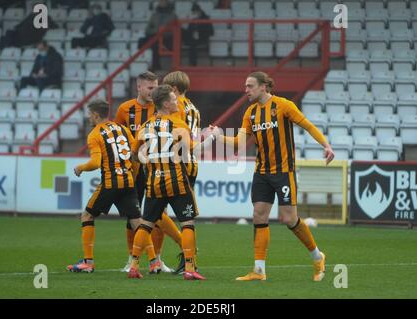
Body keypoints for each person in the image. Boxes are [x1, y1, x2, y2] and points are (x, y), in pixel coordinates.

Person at [212, 71, 335, 282]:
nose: (246, 90)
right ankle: (259, 270)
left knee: (289, 218)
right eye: (245, 86)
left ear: (263, 87)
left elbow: (307, 125)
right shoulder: (250, 113)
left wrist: (326, 145)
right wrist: (220, 136)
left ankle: (317, 256)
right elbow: (240, 143)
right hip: (262, 172)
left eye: (250, 86)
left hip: (283, 171)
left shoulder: (283, 105)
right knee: (259, 215)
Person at [127, 85, 216, 280]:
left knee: (145, 224)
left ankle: (134, 265)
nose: (177, 102)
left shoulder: (145, 127)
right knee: (187, 223)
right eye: (174, 99)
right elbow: (196, 152)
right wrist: (211, 138)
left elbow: (134, 155)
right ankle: (190, 269)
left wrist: (145, 158)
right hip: (177, 181)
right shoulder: (178, 125)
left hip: (154, 182)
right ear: (166, 103)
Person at [67, 99, 158, 273]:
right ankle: (154, 262)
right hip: (129, 181)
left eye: (89, 115)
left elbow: (95, 162)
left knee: (87, 216)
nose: (89, 118)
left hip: (111, 182)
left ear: (95, 115)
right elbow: (135, 153)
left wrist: (81, 168)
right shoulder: (122, 129)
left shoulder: (94, 134)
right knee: (137, 221)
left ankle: (88, 262)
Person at [115, 71, 184, 274]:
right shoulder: (125, 110)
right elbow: (118, 137)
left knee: (159, 214)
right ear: (139, 87)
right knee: (133, 216)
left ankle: (157, 260)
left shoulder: (163, 107)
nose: (153, 91)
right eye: (150, 88)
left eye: (155, 87)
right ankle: (132, 259)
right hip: (134, 171)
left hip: (157, 170)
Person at [162, 71, 202, 274]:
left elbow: (176, 134)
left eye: (167, 89)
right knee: (183, 216)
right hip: (191, 163)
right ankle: (189, 256)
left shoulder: (177, 107)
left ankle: (188, 254)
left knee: (161, 213)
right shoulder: (194, 108)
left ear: (175, 90)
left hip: (177, 164)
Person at [138, 0, 177, 70]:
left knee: (155, 44)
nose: (161, 3)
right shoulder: (154, 15)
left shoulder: (172, 16)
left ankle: (155, 67)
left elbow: (174, 30)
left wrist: (163, 32)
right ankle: (145, 65)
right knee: (141, 41)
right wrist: (156, 31)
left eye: (163, 1)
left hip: (167, 38)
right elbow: (147, 30)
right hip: (155, 36)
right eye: (160, 1)